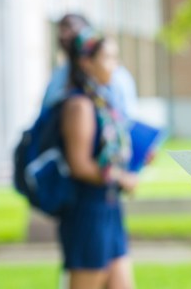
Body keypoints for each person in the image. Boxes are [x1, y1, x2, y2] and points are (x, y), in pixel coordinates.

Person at [58, 27, 138, 289]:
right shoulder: (79, 105)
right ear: (86, 62)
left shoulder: (103, 101)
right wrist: (121, 178)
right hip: (87, 212)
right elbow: (79, 165)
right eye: (108, 58)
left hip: (109, 208)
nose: (115, 65)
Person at [42, 13, 140, 120]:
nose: (64, 36)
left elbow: (128, 118)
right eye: (62, 31)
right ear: (86, 62)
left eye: (70, 29)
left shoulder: (117, 77)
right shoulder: (78, 101)